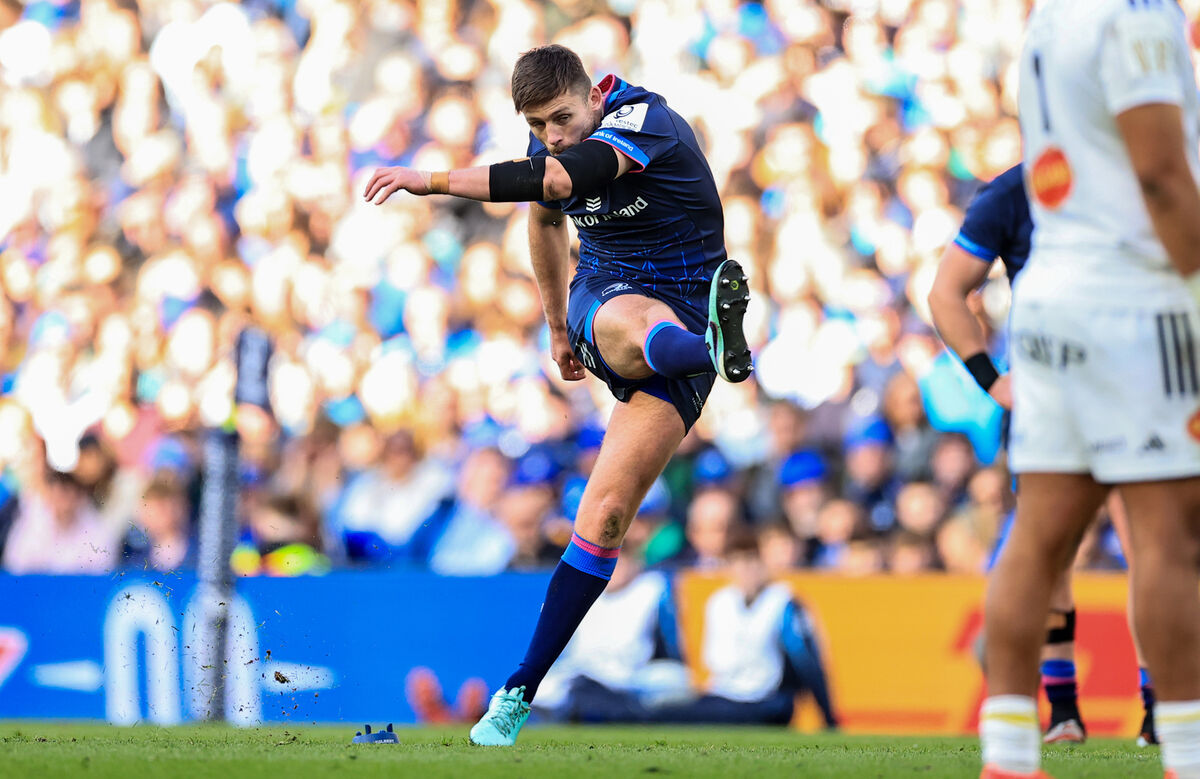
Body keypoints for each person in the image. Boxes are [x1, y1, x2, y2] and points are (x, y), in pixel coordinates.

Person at [363, 43, 752, 746]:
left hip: (693, 309)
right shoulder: (553, 139)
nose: (552, 135)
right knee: (634, 317)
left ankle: (517, 689)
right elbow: (544, 217)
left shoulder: (643, 119)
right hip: (605, 297)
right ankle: (714, 350)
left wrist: (430, 178)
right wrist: (553, 324)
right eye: (539, 125)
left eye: (563, 118)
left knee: (603, 515)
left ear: (594, 94)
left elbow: (574, 174)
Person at [975, 2, 1200, 776]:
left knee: (1038, 535)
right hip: (1135, 300)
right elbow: (1161, 175)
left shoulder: (1053, 16)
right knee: (1169, 539)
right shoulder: (1136, 13)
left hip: (1051, 301)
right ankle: (1188, 752)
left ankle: (1007, 753)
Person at [928, 169, 1157, 743]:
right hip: (1052, 400)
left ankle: (1159, 712)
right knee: (1047, 552)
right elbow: (945, 293)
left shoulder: (1142, 174)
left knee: (1151, 551)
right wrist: (992, 380)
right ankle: (1061, 713)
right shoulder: (1013, 193)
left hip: (1134, 391)